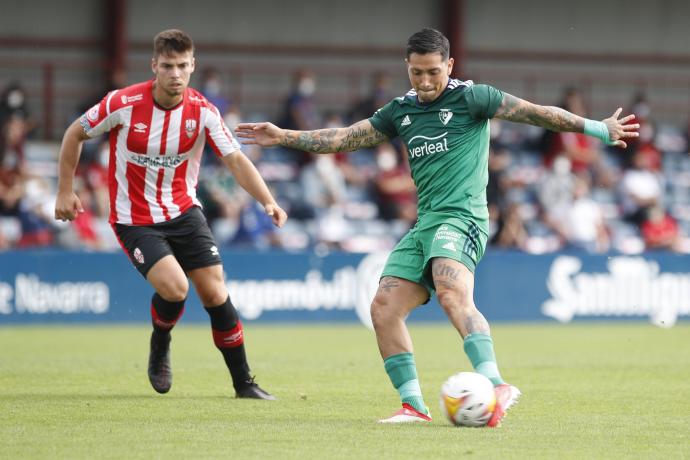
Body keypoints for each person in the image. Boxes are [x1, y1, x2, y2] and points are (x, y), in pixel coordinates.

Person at [236, 28, 639, 425]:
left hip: (463, 218)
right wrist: (284, 135)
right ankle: (414, 405)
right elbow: (343, 138)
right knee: (383, 308)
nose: (425, 81)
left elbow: (538, 114)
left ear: (449, 64)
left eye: (433, 71)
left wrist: (596, 127)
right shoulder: (400, 110)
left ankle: (497, 383)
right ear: (407, 68)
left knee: (450, 291)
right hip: (425, 223)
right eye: (416, 73)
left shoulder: (473, 98)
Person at [54, 29, 287, 400]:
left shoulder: (203, 112)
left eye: (182, 65)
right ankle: (161, 342)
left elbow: (236, 160)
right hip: (134, 217)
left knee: (214, 292)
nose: (175, 73)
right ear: (154, 66)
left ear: (192, 65)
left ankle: (244, 384)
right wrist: (66, 190)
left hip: (183, 211)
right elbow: (73, 133)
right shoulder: (123, 103)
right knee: (176, 289)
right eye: (167, 66)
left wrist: (268, 200)